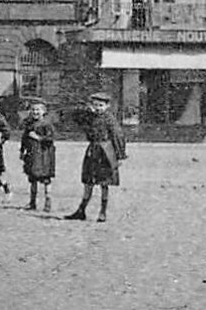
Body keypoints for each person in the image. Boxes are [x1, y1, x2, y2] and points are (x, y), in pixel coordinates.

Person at [66, 91, 126, 223]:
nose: (98, 108)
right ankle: (81, 210)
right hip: (92, 151)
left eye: (100, 105)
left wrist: (119, 155)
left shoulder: (110, 119)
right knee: (88, 181)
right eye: (95, 105)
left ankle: (102, 212)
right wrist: (86, 109)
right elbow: (75, 116)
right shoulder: (90, 117)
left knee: (104, 183)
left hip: (105, 151)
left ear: (107, 106)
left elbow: (118, 136)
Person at [19, 97, 57, 212]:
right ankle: (32, 202)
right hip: (32, 154)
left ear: (44, 111)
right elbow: (24, 138)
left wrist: (38, 138)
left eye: (38, 110)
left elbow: (50, 138)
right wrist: (22, 150)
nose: (35, 112)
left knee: (45, 178)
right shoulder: (29, 123)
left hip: (44, 155)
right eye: (33, 110)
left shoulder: (47, 124)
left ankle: (48, 202)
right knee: (32, 178)